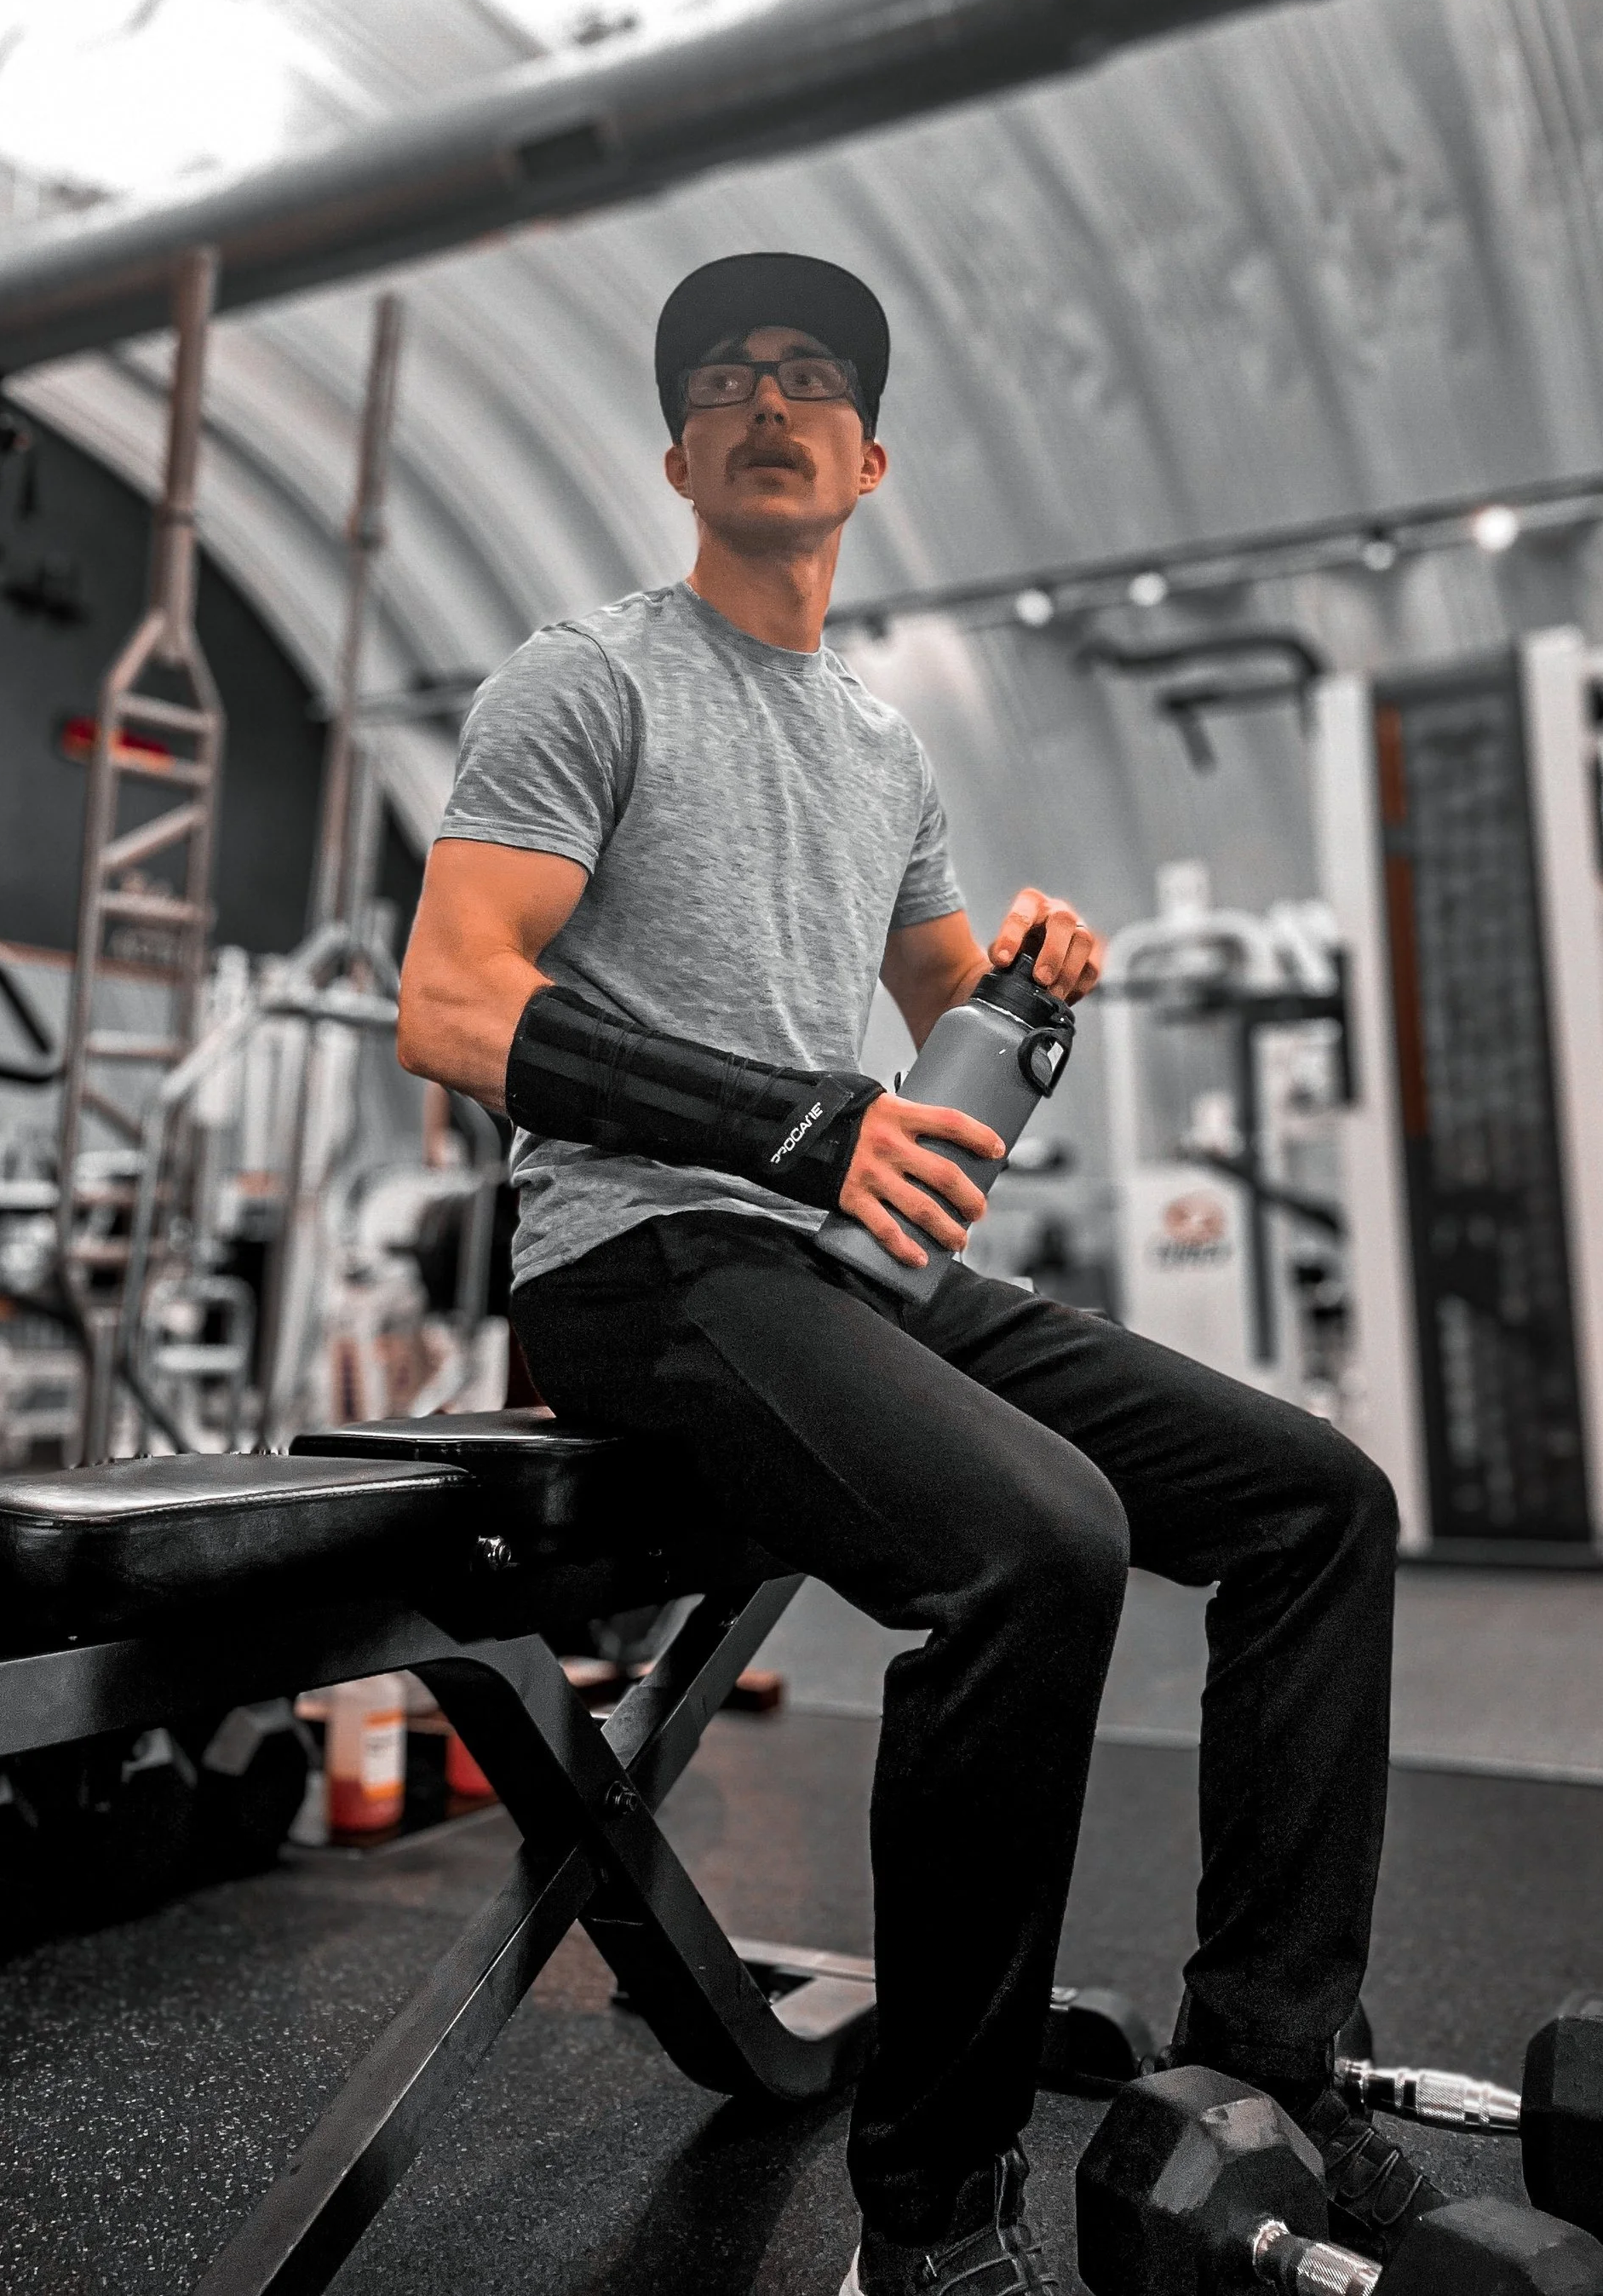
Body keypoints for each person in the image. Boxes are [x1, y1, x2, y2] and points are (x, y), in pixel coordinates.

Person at [397, 250, 1424, 2296]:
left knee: (1317, 1501)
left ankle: (1267, 2074)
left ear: (866, 457)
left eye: (807, 379)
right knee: (1038, 1544)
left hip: (833, 1256)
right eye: (722, 377)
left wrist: (1035, 988)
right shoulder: (584, 677)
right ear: (675, 451)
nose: (765, 398)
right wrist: (803, 1127)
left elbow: (953, 1045)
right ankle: (931, 2221)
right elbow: (447, 999)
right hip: (644, 1257)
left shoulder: (881, 746)